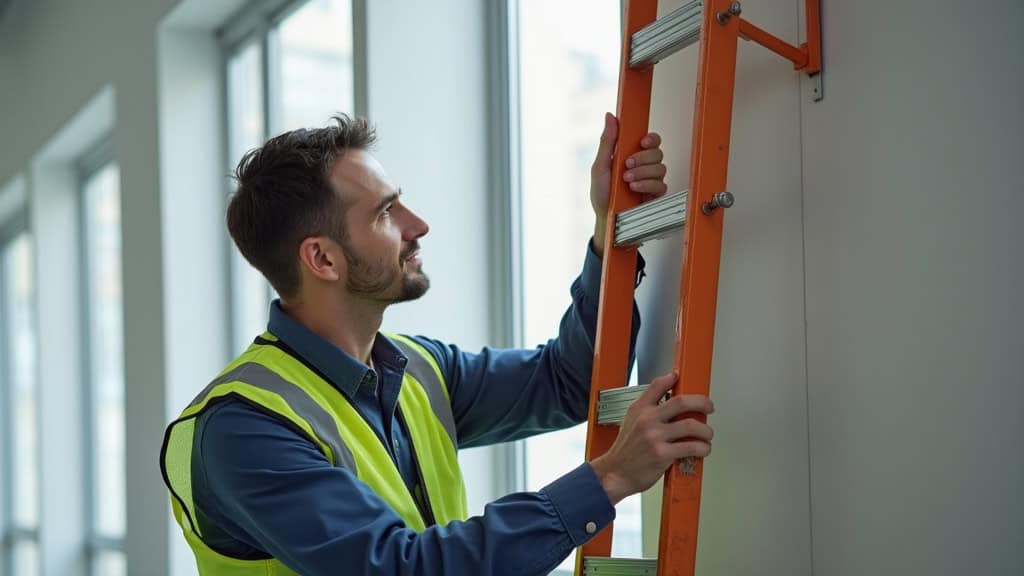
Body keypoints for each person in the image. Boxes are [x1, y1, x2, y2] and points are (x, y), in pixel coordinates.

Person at [160, 113, 714, 576]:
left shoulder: (417, 368)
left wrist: (608, 228)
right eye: (384, 213)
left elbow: (567, 383)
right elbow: (404, 570)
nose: (417, 224)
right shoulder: (241, 429)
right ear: (322, 259)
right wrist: (609, 478)